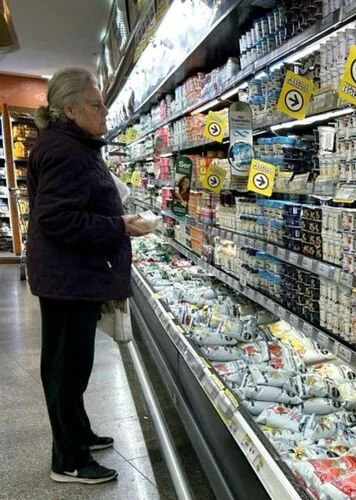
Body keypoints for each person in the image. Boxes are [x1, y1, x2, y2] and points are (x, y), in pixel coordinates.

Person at [28, 68, 152, 485]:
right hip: (66, 278)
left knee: (75, 364)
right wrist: (119, 226)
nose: (105, 112)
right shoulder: (64, 150)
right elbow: (57, 219)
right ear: (70, 109)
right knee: (65, 368)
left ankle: (78, 433)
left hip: (71, 274)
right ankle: (68, 461)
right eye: (96, 105)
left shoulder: (73, 144)